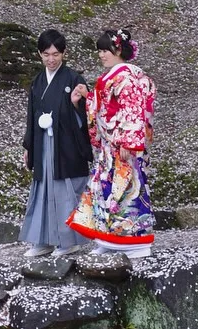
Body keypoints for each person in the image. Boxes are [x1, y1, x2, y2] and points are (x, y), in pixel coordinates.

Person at [66, 27, 156, 258]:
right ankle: (110, 237)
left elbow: (132, 110)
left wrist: (129, 142)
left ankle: (135, 240)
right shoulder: (117, 75)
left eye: (107, 50)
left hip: (123, 145)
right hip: (111, 146)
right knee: (106, 191)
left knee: (126, 191)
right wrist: (88, 98)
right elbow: (104, 105)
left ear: (119, 49)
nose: (102, 54)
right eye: (100, 51)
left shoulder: (127, 77)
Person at [20, 29, 92, 257]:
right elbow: (32, 116)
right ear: (39, 54)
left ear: (64, 54)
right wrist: (28, 146)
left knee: (65, 191)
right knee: (43, 191)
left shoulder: (73, 80)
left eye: (56, 54)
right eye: (46, 54)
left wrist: (76, 104)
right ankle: (43, 240)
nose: (51, 59)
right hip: (43, 145)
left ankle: (69, 241)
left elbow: (88, 115)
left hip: (66, 147)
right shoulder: (37, 82)